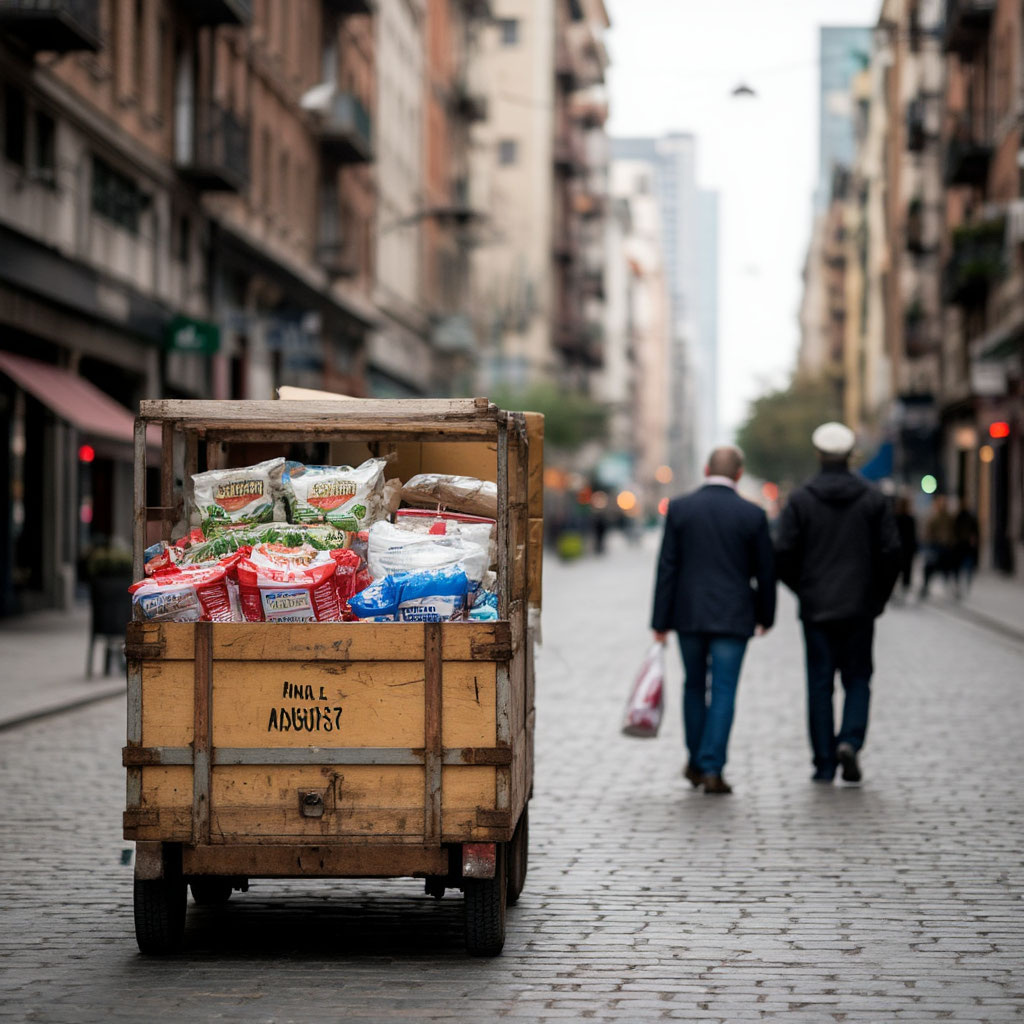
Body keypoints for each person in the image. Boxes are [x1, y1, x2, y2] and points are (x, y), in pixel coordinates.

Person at [774, 422, 901, 785]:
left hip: (817, 608)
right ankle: (850, 739)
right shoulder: (873, 498)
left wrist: (804, 588)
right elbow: (892, 552)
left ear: (819, 455)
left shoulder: (800, 499)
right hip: (860, 606)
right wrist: (877, 597)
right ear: (850, 456)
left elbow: (782, 553)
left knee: (819, 684)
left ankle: (824, 763)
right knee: (858, 678)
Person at [650, 445, 776, 795]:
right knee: (723, 691)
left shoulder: (680, 508)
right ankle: (713, 768)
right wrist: (766, 615)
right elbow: (766, 572)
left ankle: (694, 761)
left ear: (706, 469)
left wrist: (660, 621)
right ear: (739, 473)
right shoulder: (752, 514)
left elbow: (667, 568)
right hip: (735, 617)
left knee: (693, 685)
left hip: (688, 614)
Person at [919, 494, 956, 599]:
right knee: (929, 569)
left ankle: (949, 588)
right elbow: (928, 532)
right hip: (936, 547)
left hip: (946, 547)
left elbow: (953, 531)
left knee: (947, 569)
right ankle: (925, 587)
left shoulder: (949, 517)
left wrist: (951, 541)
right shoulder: (934, 517)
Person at [952, 501, 979, 597]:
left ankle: (963, 585)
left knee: (965, 567)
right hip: (962, 547)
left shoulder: (962, 518)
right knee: (965, 567)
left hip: (963, 547)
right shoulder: (960, 518)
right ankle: (963, 586)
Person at [893, 495, 918, 600]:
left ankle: (897, 591)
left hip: (899, 548)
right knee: (906, 571)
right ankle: (903, 591)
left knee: (897, 571)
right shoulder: (909, 518)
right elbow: (913, 536)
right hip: (907, 549)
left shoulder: (896, 518)